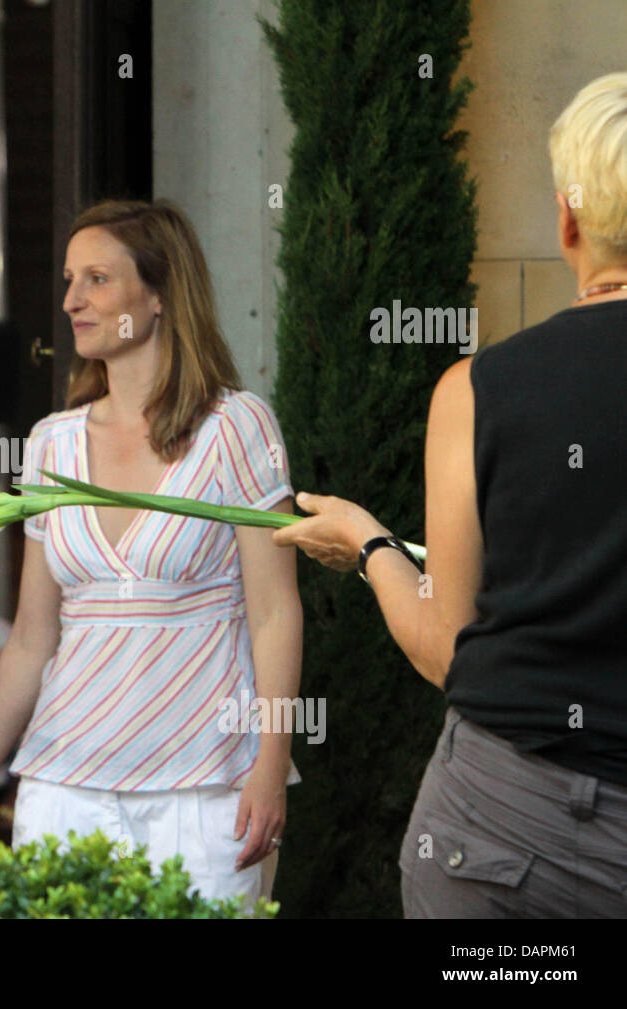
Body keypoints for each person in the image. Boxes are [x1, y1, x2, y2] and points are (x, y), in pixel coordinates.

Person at [271, 72, 627, 918]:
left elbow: (445, 646)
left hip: (502, 832)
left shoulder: (477, 390)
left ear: (568, 219)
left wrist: (367, 544)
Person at [0, 199, 303, 903]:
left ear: (158, 296)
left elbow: (275, 611)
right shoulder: (50, 443)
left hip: (206, 788)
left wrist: (271, 761)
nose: (72, 299)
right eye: (69, 279)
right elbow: (33, 640)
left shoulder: (237, 427)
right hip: (65, 786)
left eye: (97, 278)